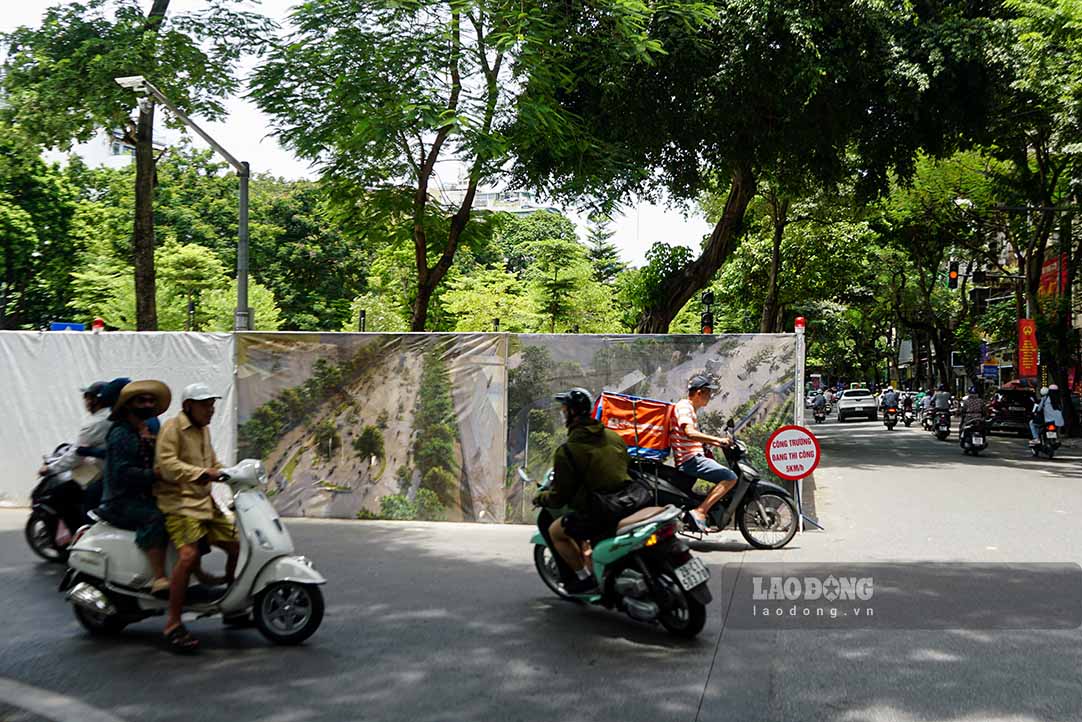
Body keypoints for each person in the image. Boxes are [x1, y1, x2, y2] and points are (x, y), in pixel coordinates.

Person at [155, 383, 240, 651]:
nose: (210, 409)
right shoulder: (172, 428)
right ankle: (173, 622)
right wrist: (203, 473)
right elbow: (167, 465)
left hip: (204, 501)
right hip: (179, 503)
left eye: (212, 404)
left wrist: (234, 474)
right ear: (188, 405)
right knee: (188, 556)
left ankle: (232, 606)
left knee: (236, 545)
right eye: (205, 404)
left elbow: (212, 464)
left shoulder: (203, 430)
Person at [533, 388, 642, 595]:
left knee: (555, 530)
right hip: (630, 501)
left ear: (571, 413)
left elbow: (559, 498)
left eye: (564, 410)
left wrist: (540, 498)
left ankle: (583, 580)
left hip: (601, 511)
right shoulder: (614, 437)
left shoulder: (568, 451)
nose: (562, 414)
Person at [99, 380, 171, 596]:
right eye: (142, 400)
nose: (148, 404)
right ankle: (158, 577)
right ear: (128, 405)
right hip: (121, 500)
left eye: (151, 400)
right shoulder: (121, 434)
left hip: (144, 493)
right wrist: (154, 474)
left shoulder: (146, 429)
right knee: (155, 517)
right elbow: (123, 474)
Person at [36, 381, 109, 535]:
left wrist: (50, 468)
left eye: (87, 398)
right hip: (107, 470)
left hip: (104, 475)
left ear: (95, 400)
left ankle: (81, 536)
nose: (85, 402)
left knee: (60, 495)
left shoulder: (95, 423)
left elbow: (75, 456)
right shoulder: (112, 417)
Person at [670, 375, 737, 533]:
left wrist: (716, 442)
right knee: (730, 477)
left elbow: (693, 437)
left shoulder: (690, 409)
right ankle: (700, 511)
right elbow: (690, 433)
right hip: (691, 459)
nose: (710, 397)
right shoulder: (684, 407)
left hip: (694, 457)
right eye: (708, 393)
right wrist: (718, 440)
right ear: (699, 393)